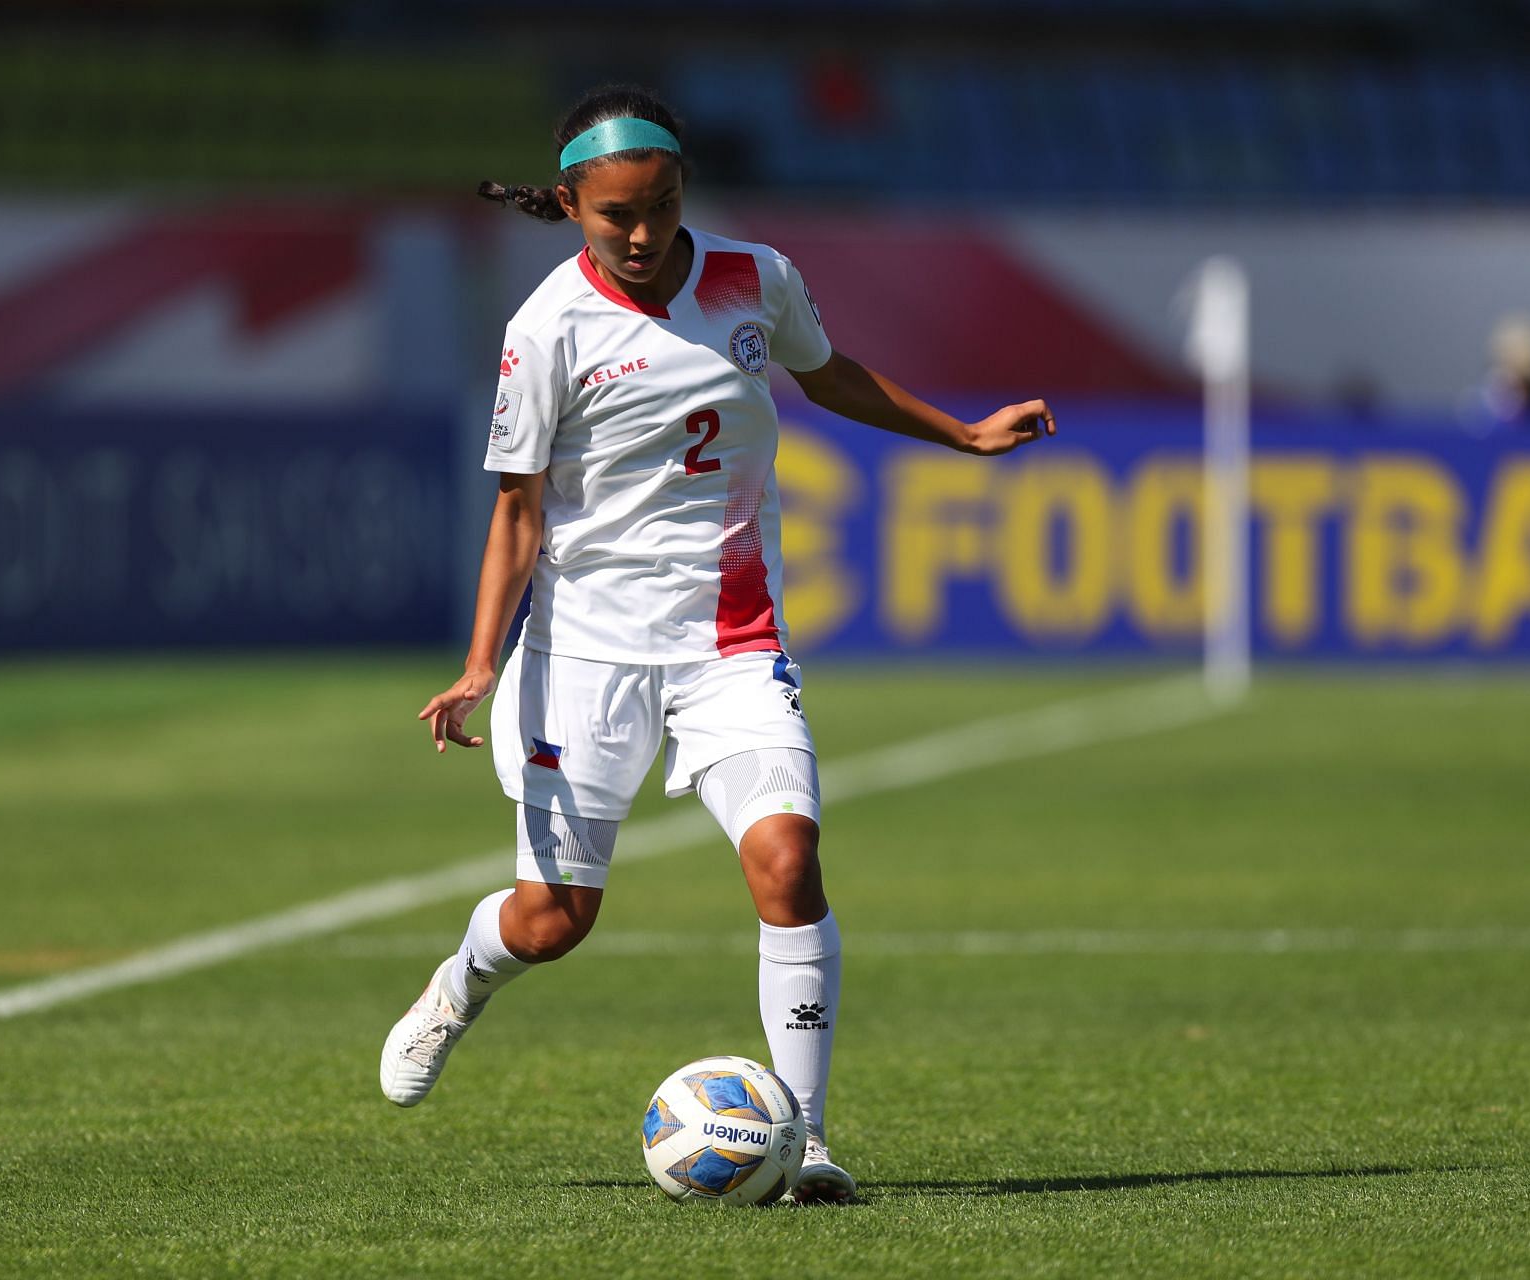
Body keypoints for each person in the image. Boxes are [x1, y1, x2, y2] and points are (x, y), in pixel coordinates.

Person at [379, 84, 1055, 1205]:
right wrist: (481, 660)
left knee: (789, 862)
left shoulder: (755, 277)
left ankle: (811, 1141)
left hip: (731, 639)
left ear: (684, 186)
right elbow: (517, 509)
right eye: (616, 218)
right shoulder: (545, 328)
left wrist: (961, 432)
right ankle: (459, 982)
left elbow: (825, 371)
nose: (643, 235)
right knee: (553, 919)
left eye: (662, 206)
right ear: (571, 205)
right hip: (585, 652)